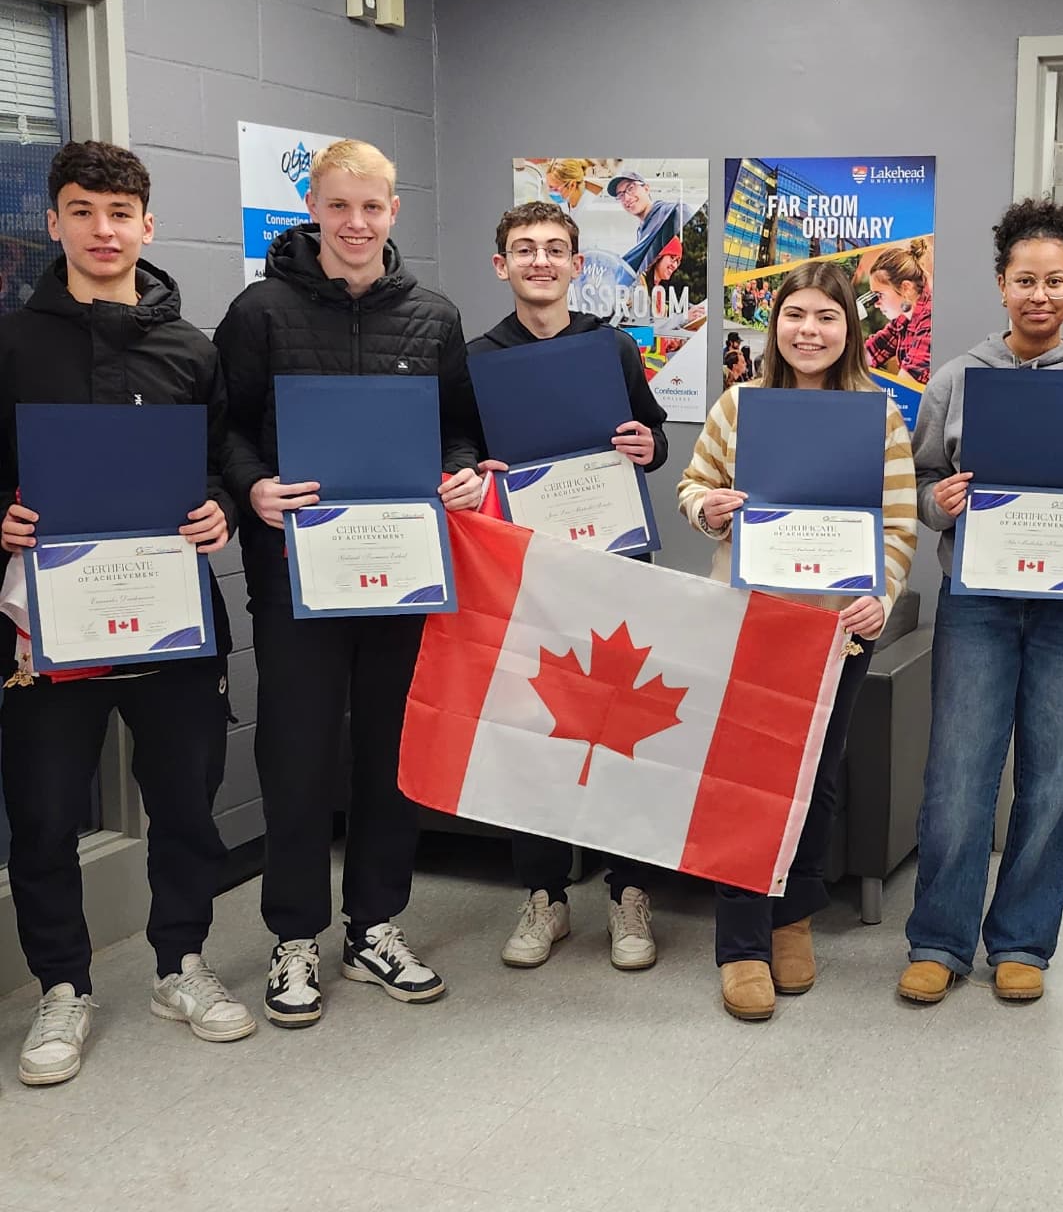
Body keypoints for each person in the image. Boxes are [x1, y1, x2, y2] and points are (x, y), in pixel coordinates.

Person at [213, 139, 485, 1028]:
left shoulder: (435, 317)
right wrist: (253, 485)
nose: (356, 223)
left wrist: (460, 474)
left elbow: (459, 432)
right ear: (315, 210)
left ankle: (376, 925)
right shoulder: (259, 311)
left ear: (393, 211)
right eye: (339, 207)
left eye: (372, 207)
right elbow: (227, 431)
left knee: (391, 753)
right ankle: (295, 937)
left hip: (404, 573)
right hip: (295, 573)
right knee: (294, 755)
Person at [0, 141, 254, 1084]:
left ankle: (180, 967)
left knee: (185, 805)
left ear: (147, 226)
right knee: (45, 817)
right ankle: (63, 987)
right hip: (47, 635)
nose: (102, 231)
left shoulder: (190, 349)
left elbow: (223, 461)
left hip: (171, 626)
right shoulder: (12, 344)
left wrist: (220, 509)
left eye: (120, 215)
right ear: (57, 223)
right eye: (82, 212)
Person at [899, 200, 1063, 1006]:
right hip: (979, 600)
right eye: (1023, 280)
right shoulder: (956, 381)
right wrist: (947, 501)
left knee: (1053, 778)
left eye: (1054, 280)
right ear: (1001, 284)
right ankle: (939, 939)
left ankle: (1022, 941)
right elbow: (918, 490)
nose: (1038, 295)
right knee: (959, 775)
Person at [678, 260, 917, 1021]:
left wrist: (882, 593)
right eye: (795, 315)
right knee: (743, 777)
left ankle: (793, 918)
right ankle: (741, 940)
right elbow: (692, 489)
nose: (808, 330)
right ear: (774, 323)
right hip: (747, 622)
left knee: (818, 777)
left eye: (826, 318)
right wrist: (708, 508)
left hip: (835, 628)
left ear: (849, 331)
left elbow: (901, 522)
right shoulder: (739, 404)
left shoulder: (877, 415)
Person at [470, 201, 670, 971]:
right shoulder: (478, 357)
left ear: (578, 264)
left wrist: (645, 443)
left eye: (556, 249)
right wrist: (471, 466)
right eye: (525, 250)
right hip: (529, 575)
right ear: (503, 266)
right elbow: (458, 446)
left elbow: (649, 440)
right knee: (535, 730)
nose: (542, 261)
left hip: (615, 565)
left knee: (622, 731)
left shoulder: (611, 347)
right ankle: (545, 895)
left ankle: (628, 893)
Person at [862, 239, 933, 387]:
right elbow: (867, 355)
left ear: (906, 288)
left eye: (879, 295)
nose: (875, 303)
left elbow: (905, 385)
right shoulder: (903, 321)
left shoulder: (931, 320)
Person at [608, 170, 687, 279]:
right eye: (620, 195)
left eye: (630, 188)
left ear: (646, 189)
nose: (626, 198)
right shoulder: (641, 232)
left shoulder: (673, 213)